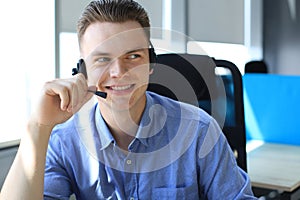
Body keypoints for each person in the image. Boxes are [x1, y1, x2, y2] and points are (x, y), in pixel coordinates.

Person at [0, 0, 257, 199]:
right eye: (102, 59)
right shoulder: (65, 141)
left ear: (151, 64)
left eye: (133, 56)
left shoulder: (198, 130)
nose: (119, 72)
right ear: (82, 70)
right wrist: (38, 127)